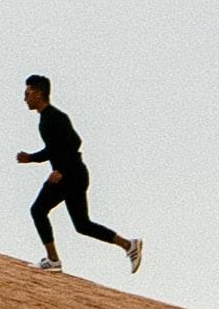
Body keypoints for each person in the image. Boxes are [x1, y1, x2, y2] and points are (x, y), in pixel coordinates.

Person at [17, 76, 142, 275]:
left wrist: (61, 171)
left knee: (38, 210)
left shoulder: (53, 117)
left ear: (39, 92)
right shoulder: (46, 119)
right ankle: (129, 245)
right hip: (75, 174)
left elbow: (75, 142)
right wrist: (31, 158)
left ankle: (53, 260)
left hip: (70, 175)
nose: (24, 98)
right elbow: (53, 149)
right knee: (82, 224)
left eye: (27, 93)